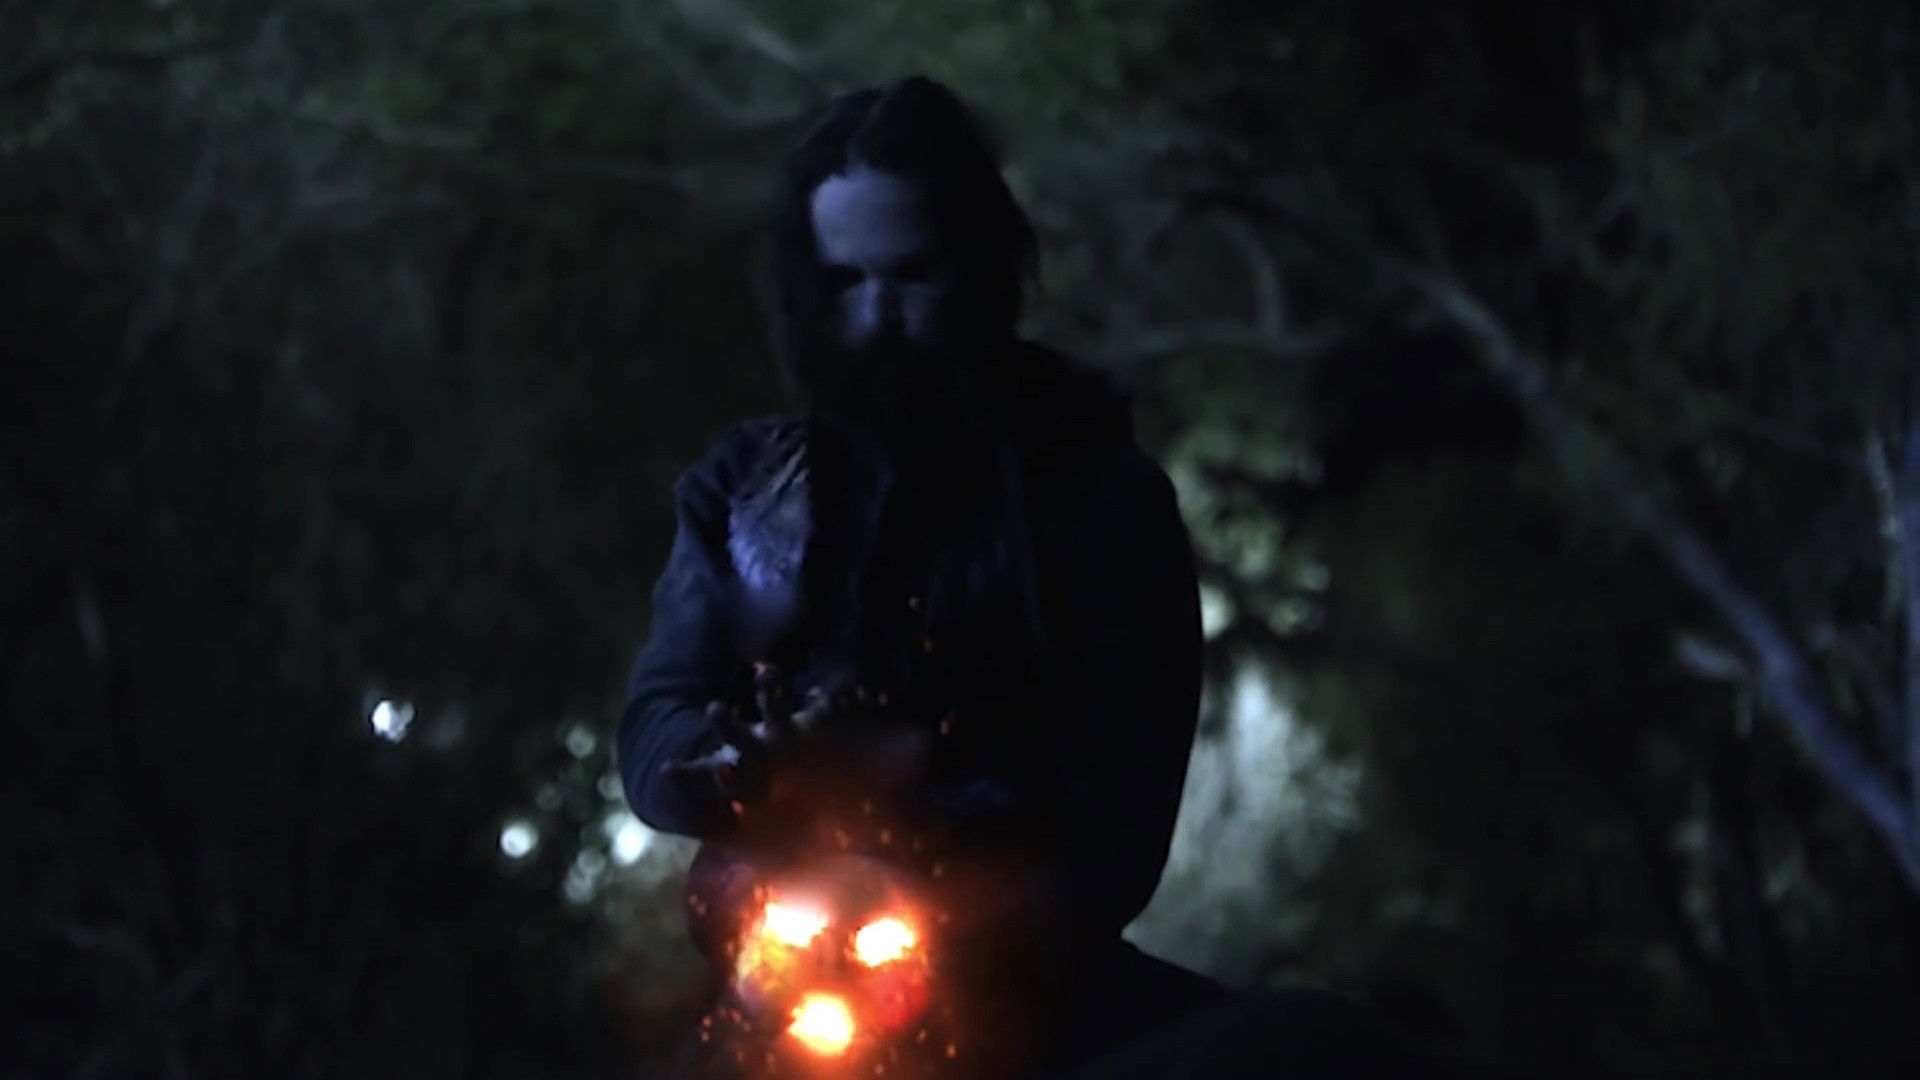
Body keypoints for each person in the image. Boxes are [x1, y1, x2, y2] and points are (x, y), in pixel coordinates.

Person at [615, 76, 1443, 1079]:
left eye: (911, 275)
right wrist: (746, 771)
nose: (877, 317)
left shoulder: (1096, 496)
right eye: (844, 282)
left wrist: (914, 806)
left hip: (1017, 1000)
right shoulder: (747, 491)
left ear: (977, 266)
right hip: (783, 990)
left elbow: (1116, 831)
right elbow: (657, 729)